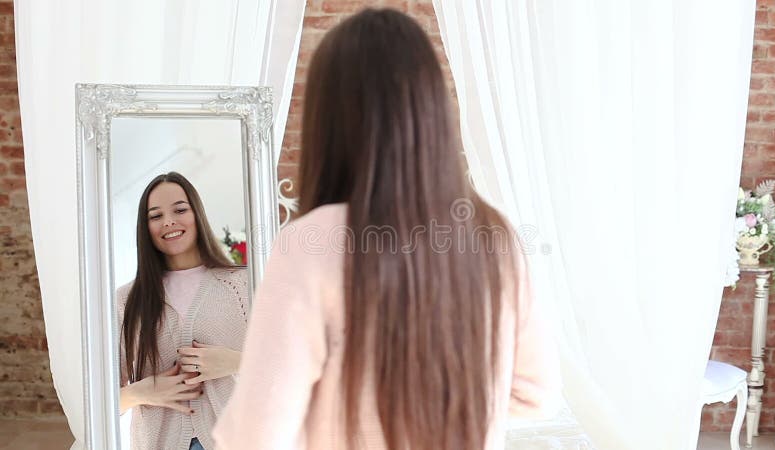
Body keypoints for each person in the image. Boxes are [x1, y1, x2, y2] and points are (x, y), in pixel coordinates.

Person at [214, 8, 561, 450]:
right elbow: (537, 392)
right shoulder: (493, 235)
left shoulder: (313, 242)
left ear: (329, 121)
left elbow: (255, 436)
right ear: (432, 109)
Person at [117, 172, 249, 450]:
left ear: (197, 214)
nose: (168, 221)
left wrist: (235, 361)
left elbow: (284, 368)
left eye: (179, 209)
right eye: (155, 216)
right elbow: (101, 403)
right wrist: (141, 392)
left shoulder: (243, 285)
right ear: (145, 227)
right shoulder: (128, 300)